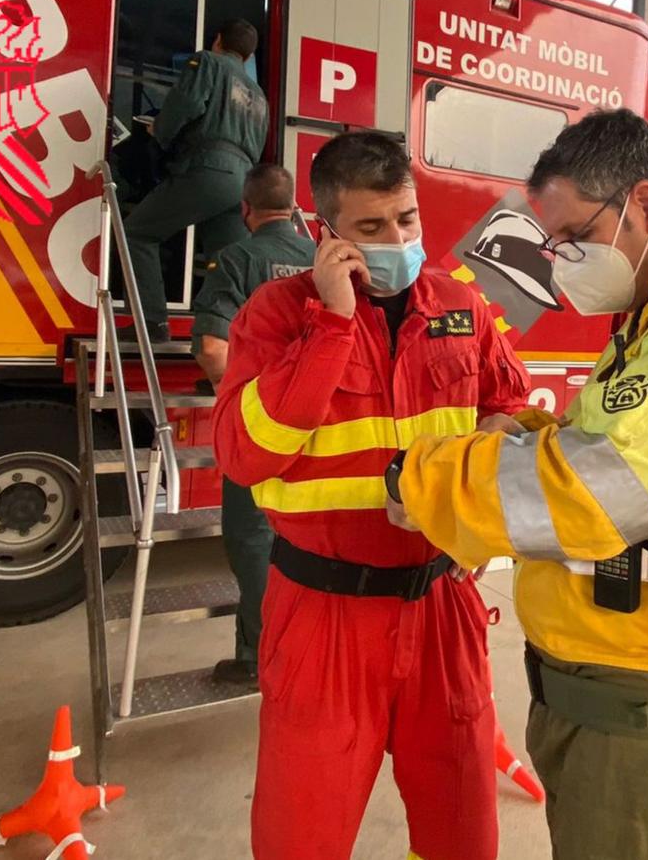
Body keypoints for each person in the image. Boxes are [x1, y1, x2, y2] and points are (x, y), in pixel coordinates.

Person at [390, 109, 648, 859]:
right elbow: (616, 447)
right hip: (614, 711)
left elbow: (593, 490)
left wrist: (422, 478)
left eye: (575, 238)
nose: (560, 262)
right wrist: (523, 431)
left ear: (645, 206)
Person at [213, 131, 528, 860]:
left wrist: (482, 486)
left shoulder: (461, 306)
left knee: (463, 832)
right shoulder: (275, 315)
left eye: (408, 219)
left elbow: (506, 410)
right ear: (325, 232)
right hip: (323, 617)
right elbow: (242, 450)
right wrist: (330, 322)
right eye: (371, 227)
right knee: (303, 836)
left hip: (443, 606)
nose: (398, 239)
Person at [190, 163, 316, 689]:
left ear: (245, 210)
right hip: (322, 428)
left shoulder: (238, 259)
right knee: (306, 544)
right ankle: (305, 650)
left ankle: (263, 658)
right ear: (294, 209)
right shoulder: (319, 260)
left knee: (252, 541)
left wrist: (240, 402)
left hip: (264, 431)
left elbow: (213, 350)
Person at [126, 17, 268, 340]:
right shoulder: (259, 95)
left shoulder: (206, 62)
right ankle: (227, 342)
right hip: (244, 183)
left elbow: (187, 103)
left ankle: (151, 324)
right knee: (228, 263)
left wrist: (160, 130)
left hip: (208, 168)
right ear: (247, 57)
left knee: (138, 233)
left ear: (217, 41)